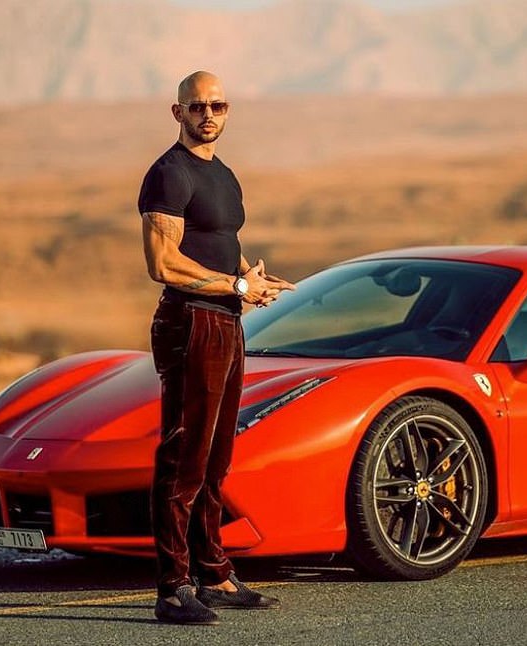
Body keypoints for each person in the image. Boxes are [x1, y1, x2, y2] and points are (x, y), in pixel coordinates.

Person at [138, 70, 295, 625]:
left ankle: (215, 573)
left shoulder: (224, 176)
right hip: (191, 323)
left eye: (218, 105)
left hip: (227, 322)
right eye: (197, 105)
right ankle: (173, 587)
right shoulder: (168, 174)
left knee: (216, 456)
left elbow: (216, 246)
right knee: (184, 454)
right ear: (177, 112)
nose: (209, 114)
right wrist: (234, 286)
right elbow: (163, 263)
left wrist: (246, 277)